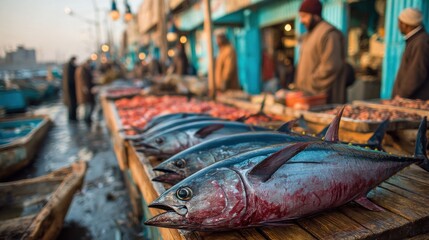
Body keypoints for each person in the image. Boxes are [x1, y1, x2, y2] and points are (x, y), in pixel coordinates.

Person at [295, 0, 347, 104]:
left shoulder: (329, 34)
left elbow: (331, 66)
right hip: (308, 98)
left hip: (325, 101)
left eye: (304, 16)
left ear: (315, 16)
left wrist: (310, 84)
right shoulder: (309, 35)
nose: (301, 20)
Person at [392, 8, 429, 100]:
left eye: (399, 22)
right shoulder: (415, 40)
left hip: (413, 101)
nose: (398, 26)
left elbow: (417, 73)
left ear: (405, 24)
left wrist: (401, 96)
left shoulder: (421, 42)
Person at [75, 59, 95, 124]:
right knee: (85, 107)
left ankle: (87, 119)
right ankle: (86, 120)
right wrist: (86, 89)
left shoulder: (82, 69)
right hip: (84, 93)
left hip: (85, 92)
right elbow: (82, 81)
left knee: (87, 106)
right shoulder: (81, 70)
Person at [62, 56, 78, 121]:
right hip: (70, 88)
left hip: (69, 88)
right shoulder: (70, 67)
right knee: (72, 104)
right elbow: (71, 79)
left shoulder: (68, 67)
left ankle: (72, 117)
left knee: (71, 104)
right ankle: (72, 117)